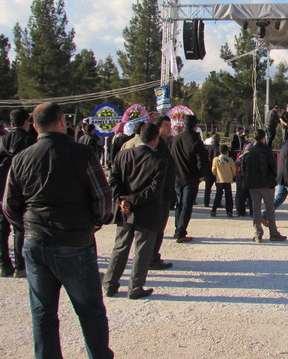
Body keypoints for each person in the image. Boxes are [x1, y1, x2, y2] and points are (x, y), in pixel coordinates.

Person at [3, 102, 114, 359]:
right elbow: (102, 198)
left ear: (34, 125)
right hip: (74, 242)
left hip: (36, 242)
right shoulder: (82, 154)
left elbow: (9, 205)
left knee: (43, 313)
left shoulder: (21, 159)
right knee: (90, 311)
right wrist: (96, 222)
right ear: (62, 121)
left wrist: (28, 228)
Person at [103, 123, 166, 299]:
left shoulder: (122, 155)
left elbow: (113, 179)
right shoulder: (159, 161)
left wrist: (121, 199)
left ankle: (110, 284)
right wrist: (132, 200)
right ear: (155, 139)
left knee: (120, 247)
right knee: (142, 250)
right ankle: (135, 287)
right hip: (146, 210)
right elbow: (154, 189)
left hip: (124, 209)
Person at [0, 108, 36, 278]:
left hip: (2, 188)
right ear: (25, 122)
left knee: (2, 227)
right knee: (20, 228)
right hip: (21, 189)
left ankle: (4, 264)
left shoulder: (2, 139)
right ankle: (21, 266)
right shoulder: (28, 140)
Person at [240, 129, 287, 242]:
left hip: (253, 184)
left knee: (256, 209)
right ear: (263, 138)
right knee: (269, 209)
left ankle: (258, 234)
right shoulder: (267, 151)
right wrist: (273, 181)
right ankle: (273, 233)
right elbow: (273, 168)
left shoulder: (248, 151)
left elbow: (243, 168)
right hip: (266, 184)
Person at [170, 114, 209, 243]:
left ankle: (178, 228)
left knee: (179, 204)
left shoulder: (175, 139)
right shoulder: (195, 140)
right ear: (195, 125)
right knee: (187, 205)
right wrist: (201, 174)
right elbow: (202, 160)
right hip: (191, 177)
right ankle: (181, 231)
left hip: (177, 176)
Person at [148, 114, 175, 270]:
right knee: (157, 228)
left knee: (159, 227)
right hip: (159, 193)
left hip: (164, 192)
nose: (169, 128)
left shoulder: (164, 143)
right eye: (166, 125)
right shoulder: (158, 145)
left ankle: (152, 255)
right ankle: (152, 258)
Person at [211, 145, 236, 217]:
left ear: (219, 151)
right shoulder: (230, 159)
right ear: (227, 151)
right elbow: (233, 170)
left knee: (218, 195)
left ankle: (214, 210)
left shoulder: (216, 159)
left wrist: (216, 175)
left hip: (219, 179)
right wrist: (232, 175)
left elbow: (213, 170)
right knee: (228, 196)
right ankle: (229, 212)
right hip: (228, 179)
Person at [203, 133, 221, 208]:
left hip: (208, 168)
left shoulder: (208, 147)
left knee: (207, 188)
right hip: (215, 169)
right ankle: (217, 202)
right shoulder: (218, 148)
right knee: (219, 188)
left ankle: (206, 202)